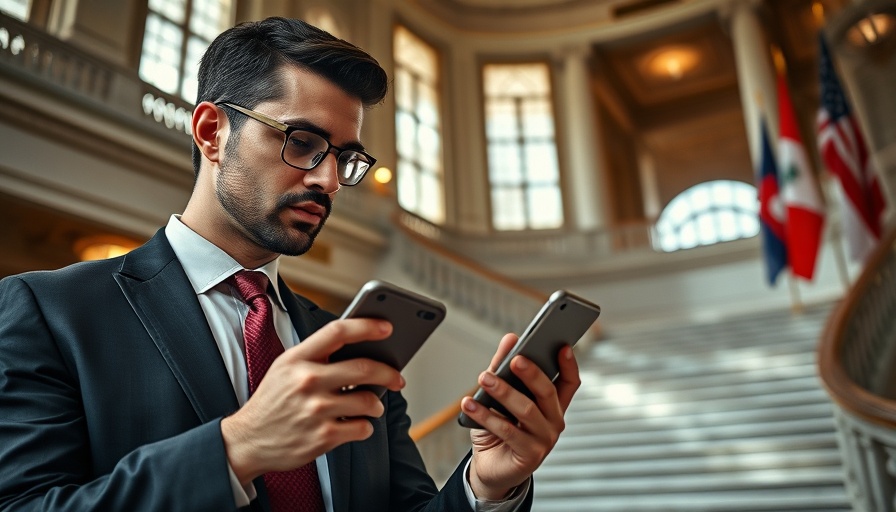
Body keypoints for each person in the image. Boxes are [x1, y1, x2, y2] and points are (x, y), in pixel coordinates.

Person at [0, 17, 581, 512]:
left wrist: (488, 483)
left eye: (345, 158)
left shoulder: (349, 346)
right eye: (302, 141)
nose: (328, 180)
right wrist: (235, 450)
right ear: (211, 132)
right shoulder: (48, 312)